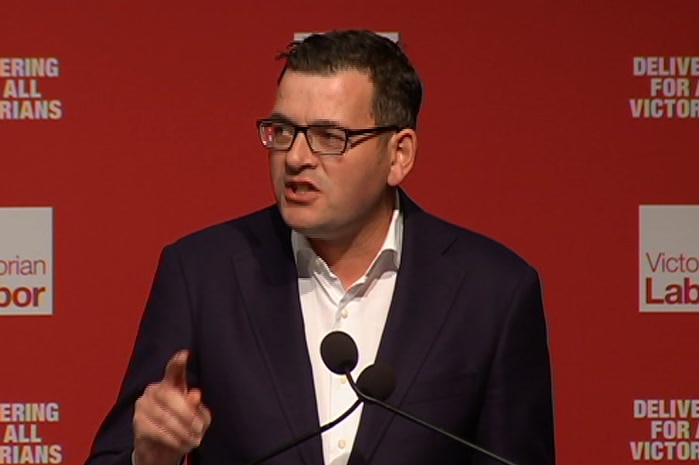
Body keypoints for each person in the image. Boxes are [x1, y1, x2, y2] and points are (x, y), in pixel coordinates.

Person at [84, 29, 555, 465]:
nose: (296, 157)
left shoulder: (492, 292)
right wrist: (146, 457)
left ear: (399, 154)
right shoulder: (202, 273)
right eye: (283, 131)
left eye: (330, 137)